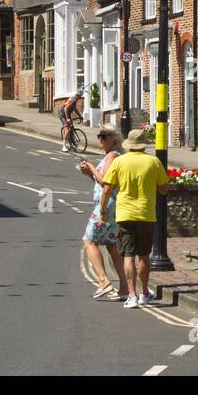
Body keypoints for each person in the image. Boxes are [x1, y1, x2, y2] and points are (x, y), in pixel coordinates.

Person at [97, 128, 169, 308]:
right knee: (144, 256)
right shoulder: (153, 162)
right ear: (144, 145)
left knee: (128, 256)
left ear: (129, 145)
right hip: (146, 214)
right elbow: (163, 189)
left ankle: (132, 296)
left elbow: (106, 189)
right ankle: (144, 293)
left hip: (124, 215)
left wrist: (103, 211)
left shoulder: (120, 161)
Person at [77, 126, 129, 302]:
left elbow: (107, 182)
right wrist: (89, 175)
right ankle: (124, 288)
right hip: (113, 204)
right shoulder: (115, 156)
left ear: (114, 139)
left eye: (104, 136)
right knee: (112, 245)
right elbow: (105, 181)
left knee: (89, 241)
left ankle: (103, 281)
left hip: (107, 205)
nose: (100, 139)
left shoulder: (113, 156)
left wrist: (91, 168)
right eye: (99, 136)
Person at [58, 85, 85, 152]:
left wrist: (80, 116)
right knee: (67, 130)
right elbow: (66, 108)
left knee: (71, 128)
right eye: (80, 95)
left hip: (67, 114)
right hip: (63, 115)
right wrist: (67, 118)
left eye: (81, 95)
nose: (81, 97)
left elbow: (75, 109)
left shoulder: (75, 99)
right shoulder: (73, 99)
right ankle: (64, 146)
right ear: (78, 94)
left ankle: (73, 142)